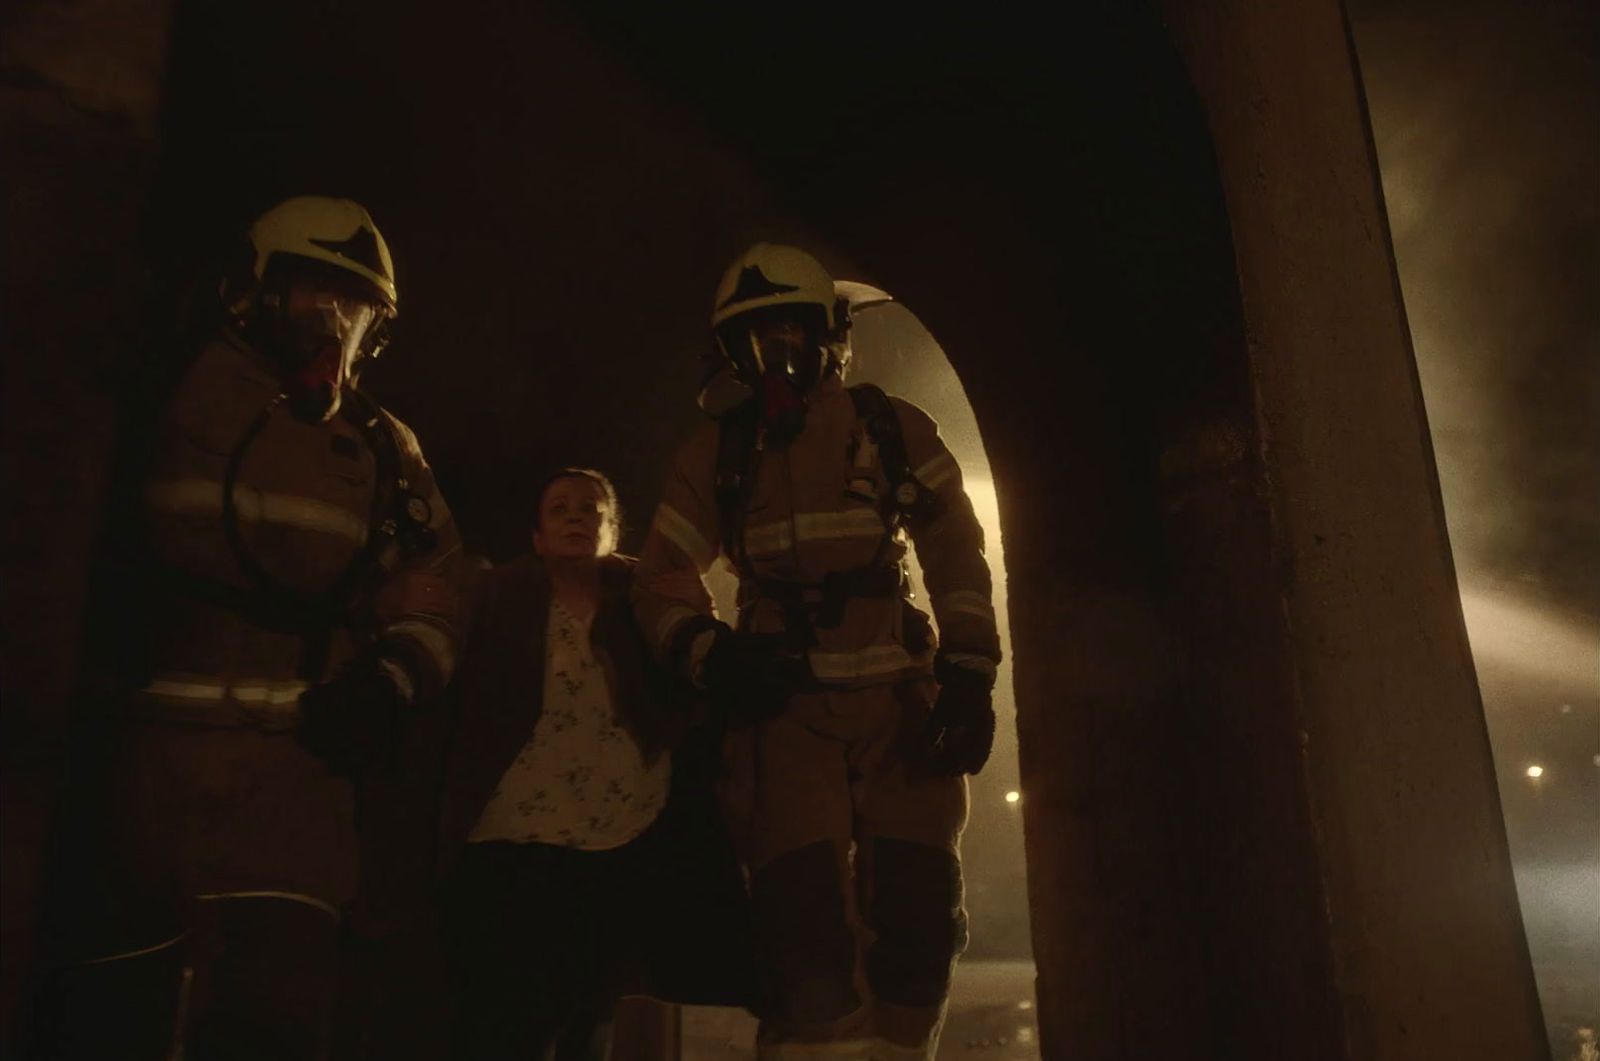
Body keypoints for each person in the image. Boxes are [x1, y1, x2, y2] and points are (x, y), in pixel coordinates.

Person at [31, 195, 463, 1061]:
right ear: (254, 290)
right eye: (315, 295)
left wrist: (393, 679)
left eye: (357, 310)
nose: (334, 325)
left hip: (291, 796)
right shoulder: (154, 392)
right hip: (134, 787)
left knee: (272, 1024)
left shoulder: (382, 447)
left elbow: (440, 588)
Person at [633, 243, 1003, 1060]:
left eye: (793, 339)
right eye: (758, 346)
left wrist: (969, 671)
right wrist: (710, 652)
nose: (779, 363)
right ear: (731, 356)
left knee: (916, 923)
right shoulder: (717, 455)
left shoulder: (891, 429)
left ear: (830, 338)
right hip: (781, 716)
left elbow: (955, 544)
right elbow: (659, 575)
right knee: (802, 933)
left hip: (901, 707)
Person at [437, 467, 752, 1061]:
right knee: (514, 1019)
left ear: (612, 532)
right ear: (537, 535)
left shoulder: (642, 600)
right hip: (518, 837)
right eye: (560, 508)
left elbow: (688, 688)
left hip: (620, 838)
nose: (577, 517)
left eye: (592, 509)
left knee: (592, 1019)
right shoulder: (498, 596)